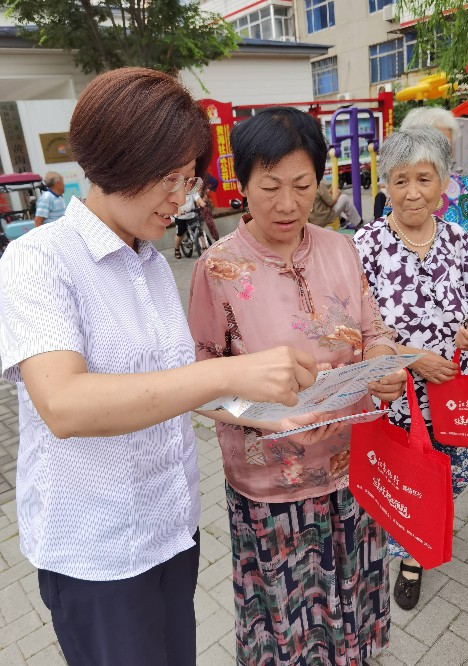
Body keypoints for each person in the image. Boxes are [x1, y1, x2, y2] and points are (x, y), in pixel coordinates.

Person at [0, 69, 322, 666]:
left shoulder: (147, 261)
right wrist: (231, 373)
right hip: (98, 552)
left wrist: (256, 409)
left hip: (170, 530)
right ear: (114, 163)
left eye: (189, 179)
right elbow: (65, 405)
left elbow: (168, 383)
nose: (182, 197)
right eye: (169, 179)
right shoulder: (37, 261)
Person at [188, 106, 407, 665]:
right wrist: (261, 414)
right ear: (242, 183)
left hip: (354, 468)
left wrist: (382, 364)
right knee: (289, 617)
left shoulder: (339, 248)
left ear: (319, 180)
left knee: (352, 598)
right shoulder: (217, 268)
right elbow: (200, 378)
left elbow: (373, 327)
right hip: (271, 484)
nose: (287, 204)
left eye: (303, 185)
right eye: (270, 187)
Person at [354, 127, 468, 611]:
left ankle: (429, 524)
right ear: (385, 185)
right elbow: (354, 324)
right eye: (401, 179)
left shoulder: (455, 236)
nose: (413, 191)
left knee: (454, 469)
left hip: (456, 393)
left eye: (424, 179)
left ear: (443, 184)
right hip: (400, 396)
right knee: (407, 471)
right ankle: (411, 555)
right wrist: (413, 358)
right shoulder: (364, 244)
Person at [398, 107, 468, 475]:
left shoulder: (466, 190)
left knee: (459, 445)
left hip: (457, 349)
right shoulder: (391, 210)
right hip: (406, 373)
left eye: (448, 146)